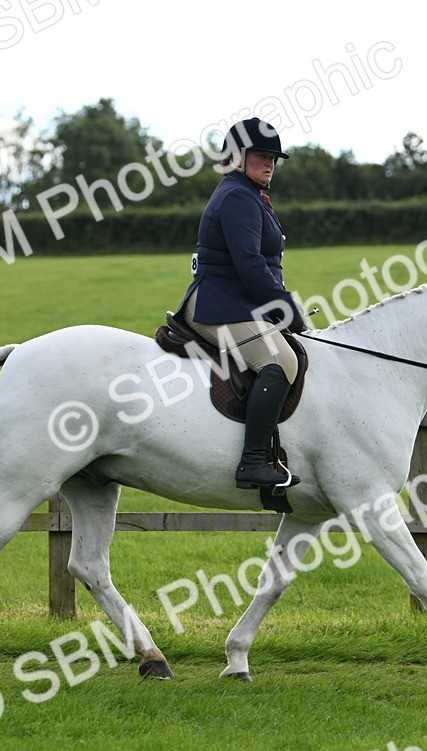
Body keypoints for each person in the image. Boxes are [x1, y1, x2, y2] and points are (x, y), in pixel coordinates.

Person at [176, 118, 309, 490]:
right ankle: (252, 462)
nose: (270, 164)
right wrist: (286, 307)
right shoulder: (237, 196)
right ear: (236, 157)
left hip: (235, 302)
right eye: (262, 156)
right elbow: (250, 265)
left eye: (274, 158)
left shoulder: (248, 193)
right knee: (282, 361)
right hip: (218, 305)